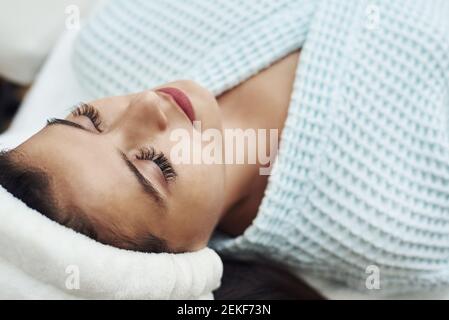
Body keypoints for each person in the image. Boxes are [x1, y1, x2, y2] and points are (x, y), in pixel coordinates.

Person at [2, 0, 449, 293]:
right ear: (186, 259)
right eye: (154, 164)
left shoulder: (115, 39)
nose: (145, 103)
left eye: (87, 118)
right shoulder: (393, 224)